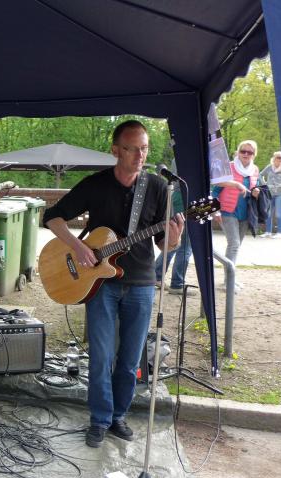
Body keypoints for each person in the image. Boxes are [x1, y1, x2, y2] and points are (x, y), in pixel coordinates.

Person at [42, 120, 183, 448]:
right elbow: (52, 217)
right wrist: (78, 246)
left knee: (130, 360)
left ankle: (118, 415)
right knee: (101, 356)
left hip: (142, 282)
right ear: (116, 150)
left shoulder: (157, 188)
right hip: (100, 284)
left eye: (144, 148)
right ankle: (100, 419)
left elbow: (164, 244)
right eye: (133, 149)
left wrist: (174, 239)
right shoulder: (96, 184)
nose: (140, 155)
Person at [212, 140, 261, 289]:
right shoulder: (229, 167)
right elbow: (216, 189)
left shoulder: (255, 170)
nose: (245, 154)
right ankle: (229, 282)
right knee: (234, 244)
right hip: (227, 211)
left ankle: (230, 278)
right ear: (238, 152)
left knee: (236, 246)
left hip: (246, 213)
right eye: (243, 151)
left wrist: (257, 192)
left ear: (254, 154)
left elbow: (256, 188)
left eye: (249, 152)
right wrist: (215, 210)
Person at [155, 187, 193, 294]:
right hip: (186, 201)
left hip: (177, 199)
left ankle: (156, 276)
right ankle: (177, 284)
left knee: (171, 244)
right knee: (185, 248)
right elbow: (218, 180)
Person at [259, 151, 281, 238]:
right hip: (270, 193)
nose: (280, 159)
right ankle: (268, 232)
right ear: (274, 158)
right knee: (268, 213)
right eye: (278, 157)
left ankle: (279, 233)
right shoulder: (269, 167)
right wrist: (264, 184)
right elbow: (260, 175)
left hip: (280, 193)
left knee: (278, 213)